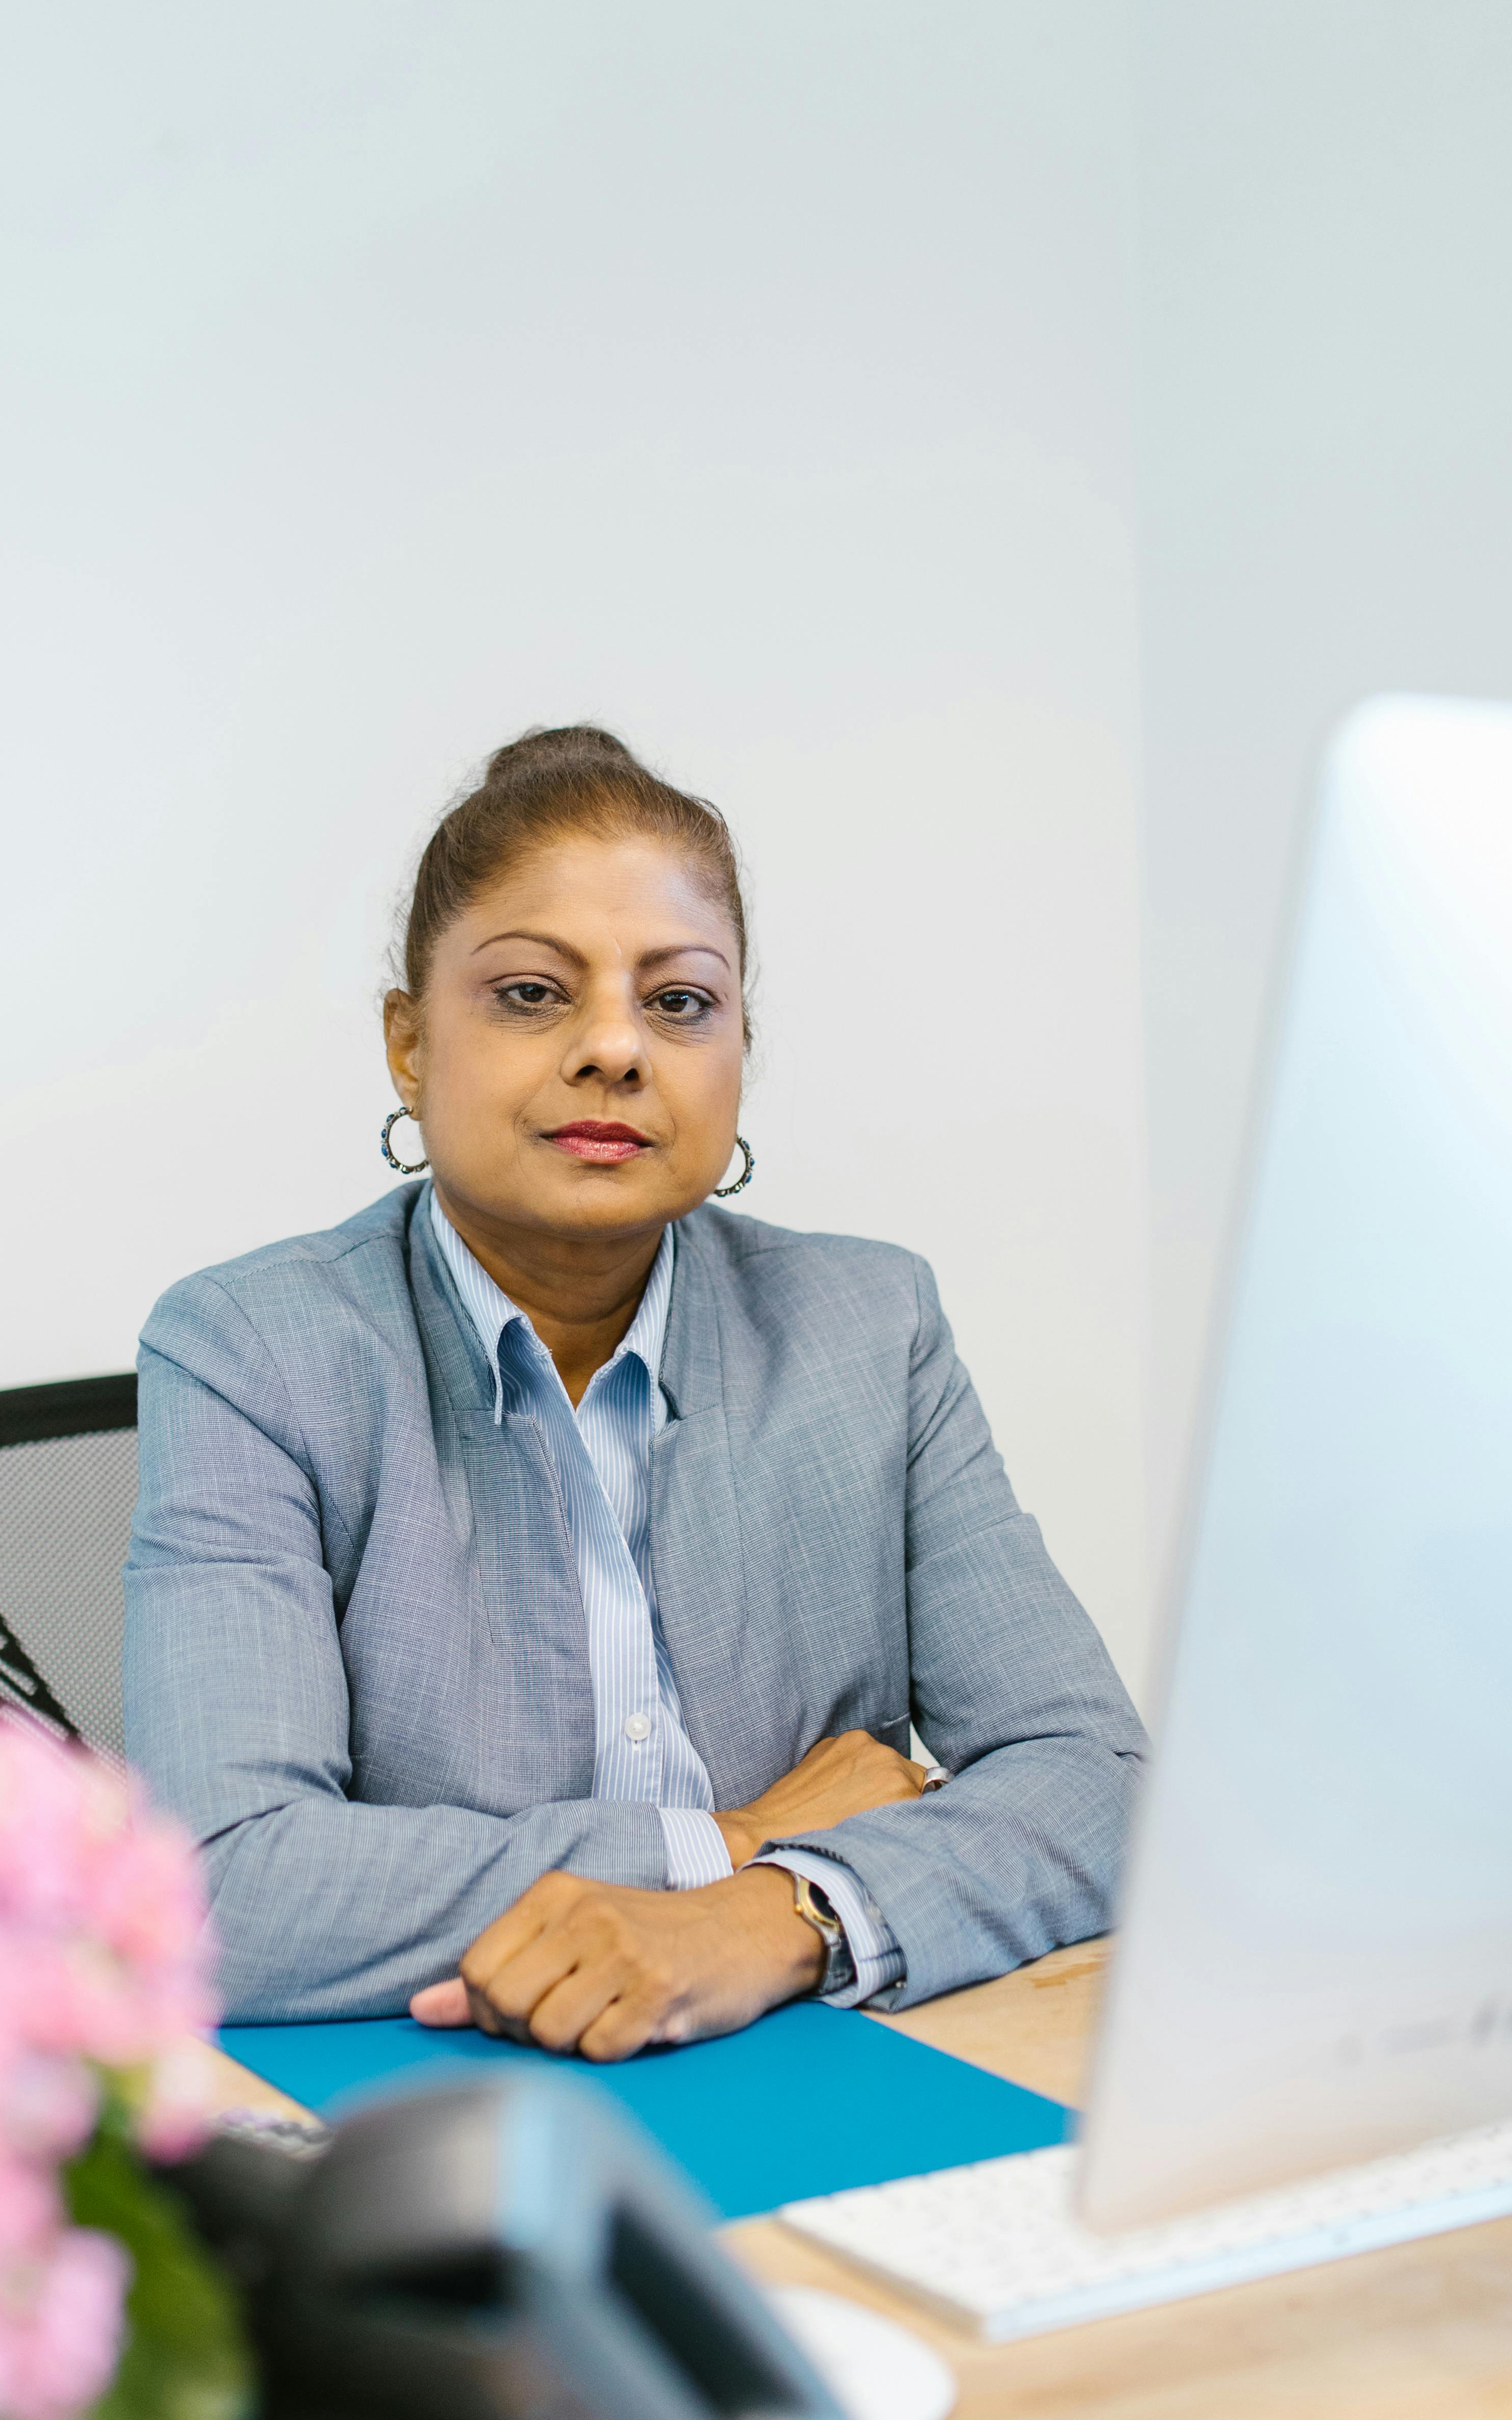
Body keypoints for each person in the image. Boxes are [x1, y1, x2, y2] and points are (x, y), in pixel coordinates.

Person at [124, 727, 1145, 2052]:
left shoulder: (867, 1327)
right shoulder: (255, 1350)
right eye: (532, 993)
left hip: (811, 2058)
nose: (614, 1047)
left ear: (737, 1052)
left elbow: (1100, 1782)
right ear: (408, 1044)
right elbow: (218, 1888)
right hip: (439, 2093)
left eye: (677, 1002)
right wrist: (723, 1840)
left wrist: (778, 1911)